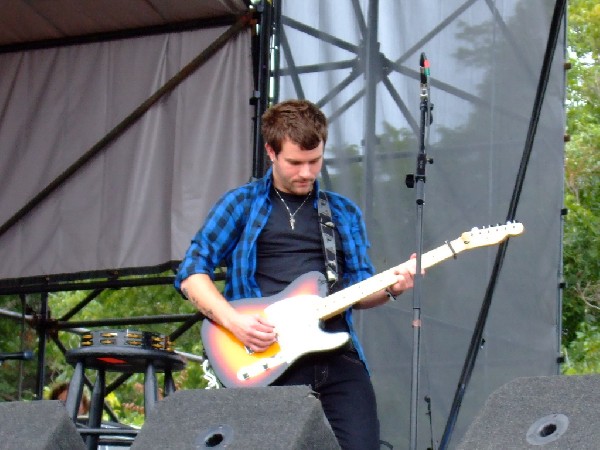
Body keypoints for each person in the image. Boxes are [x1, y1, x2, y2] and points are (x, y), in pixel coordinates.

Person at [175, 99, 419, 450]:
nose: (306, 172)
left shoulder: (342, 212)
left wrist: (392, 288)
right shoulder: (241, 204)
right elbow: (192, 272)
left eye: (314, 161)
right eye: (295, 163)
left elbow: (360, 288)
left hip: (336, 353)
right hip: (265, 356)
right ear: (271, 152)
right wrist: (233, 322)